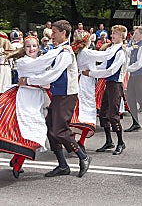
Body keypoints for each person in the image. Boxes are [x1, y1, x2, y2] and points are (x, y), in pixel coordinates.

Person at [20, 20, 91, 178]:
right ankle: (63, 165)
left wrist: (29, 81)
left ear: (64, 33)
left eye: (55, 32)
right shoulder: (58, 50)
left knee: (59, 130)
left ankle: (83, 156)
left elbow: (52, 75)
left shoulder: (65, 53)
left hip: (66, 94)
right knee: (50, 127)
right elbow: (45, 67)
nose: (52, 35)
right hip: (59, 94)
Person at [0, 36, 63, 178]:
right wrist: (59, 50)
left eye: (34, 46)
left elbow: (45, 80)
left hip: (36, 99)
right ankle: (18, 162)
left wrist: (33, 82)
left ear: (38, 47)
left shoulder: (39, 62)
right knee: (27, 130)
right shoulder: (23, 62)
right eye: (28, 46)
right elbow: (42, 72)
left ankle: (17, 159)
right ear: (24, 48)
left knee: (35, 131)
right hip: (24, 99)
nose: (31, 49)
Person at [70, 31, 121, 151]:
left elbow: (98, 65)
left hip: (84, 79)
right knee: (86, 110)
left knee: (81, 109)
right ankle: (78, 142)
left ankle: (75, 140)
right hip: (85, 82)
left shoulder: (82, 52)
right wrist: (118, 46)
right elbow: (105, 56)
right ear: (87, 41)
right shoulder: (86, 52)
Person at [83, 25, 128, 155]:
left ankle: (120, 142)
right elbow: (103, 64)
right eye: (112, 33)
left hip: (116, 84)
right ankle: (109, 141)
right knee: (103, 113)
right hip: (108, 83)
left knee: (113, 115)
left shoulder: (120, 52)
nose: (112, 35)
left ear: (121, 36)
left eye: (115, 33)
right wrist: (91, 69)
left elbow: (111, 70)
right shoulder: (112, 49)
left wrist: (91, 73)